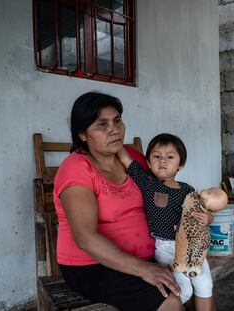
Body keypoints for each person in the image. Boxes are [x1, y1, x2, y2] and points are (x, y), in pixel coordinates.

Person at [53, 91, 184, 311]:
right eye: (102, 124)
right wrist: (144, 269)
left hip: (149, 256)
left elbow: (164, 191)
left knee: (195, 283)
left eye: (117, 121)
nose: (114, 129)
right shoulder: (76, 169)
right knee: (170, 300)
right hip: (91, 266)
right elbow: (86, 238)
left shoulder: (131, 157)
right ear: (83, 134)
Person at [117, 133, 228, 311]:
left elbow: (206, 213)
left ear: (180, 164)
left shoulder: (189, 191)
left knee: (205, 285)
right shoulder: (148, 184)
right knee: (184, 290)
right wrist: (116, 143)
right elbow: (126, 160)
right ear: (148, 162)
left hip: (193, 247)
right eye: (156, 156)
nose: (162, 161)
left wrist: (209, 219)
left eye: (170, 157)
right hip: (166, 248)